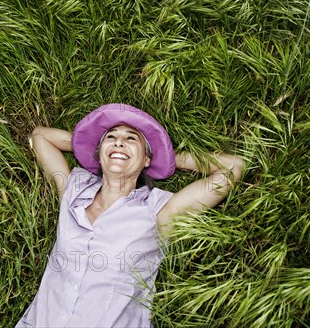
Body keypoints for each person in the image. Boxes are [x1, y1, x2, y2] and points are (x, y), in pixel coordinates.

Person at [16, 103, 244, 327]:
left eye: (131, 138)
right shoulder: (73, 190)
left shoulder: (157, 212)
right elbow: (40, 137)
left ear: (147, 159)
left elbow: (233, 167)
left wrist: (165, 157)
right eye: (111, 137)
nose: (119, 141)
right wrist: (93, 144)